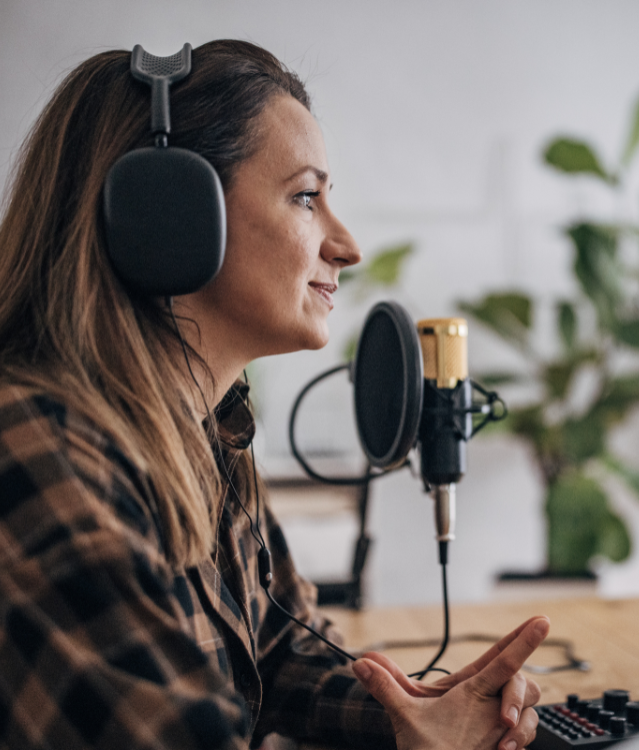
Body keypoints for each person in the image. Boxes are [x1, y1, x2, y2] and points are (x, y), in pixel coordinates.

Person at [0, 39, 547, 750]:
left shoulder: (206, 427)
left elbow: (281, 653)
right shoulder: (39, 447)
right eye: (306, 197)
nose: (346, 245)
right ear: (168, 214)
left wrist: (414, 715)